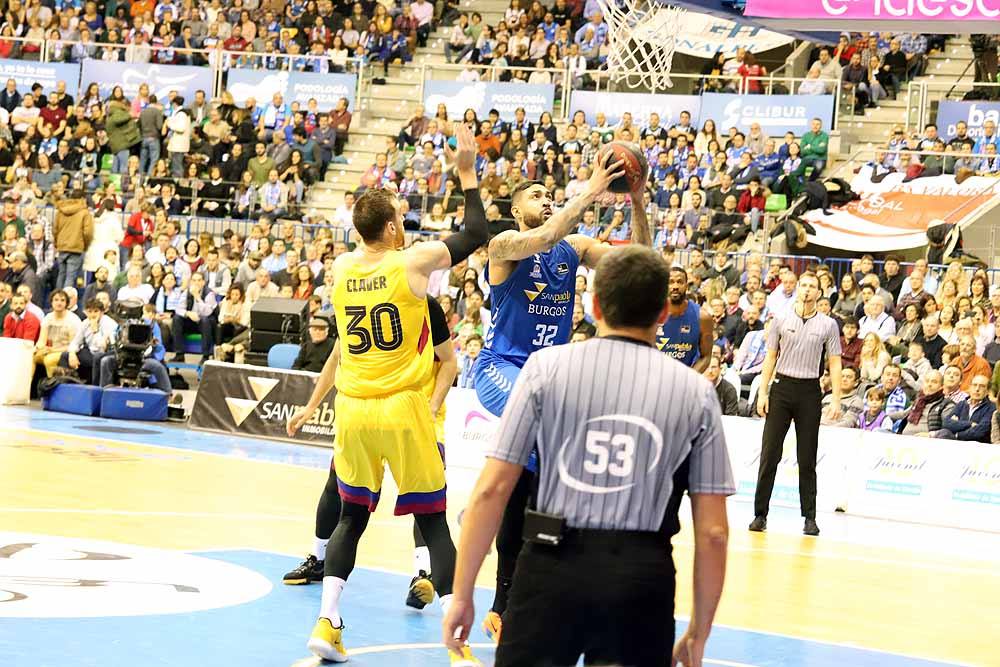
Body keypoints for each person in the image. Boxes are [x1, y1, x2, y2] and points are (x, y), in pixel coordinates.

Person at [443, 245, 733, 667]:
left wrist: (464, 594)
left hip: (550, 566)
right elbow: (714, 533)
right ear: (664, 314)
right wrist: (699, 631)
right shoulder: (697, 393)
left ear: (594, 305)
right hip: (641, 576)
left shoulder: (544, 369)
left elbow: (491, 491)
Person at [285, 123, 488, 664]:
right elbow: (476, 235)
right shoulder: (411, 262)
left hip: (352, 408)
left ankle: (328, 623)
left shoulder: (341, 269)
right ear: (395, 227)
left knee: (351, 518)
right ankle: (457, 645)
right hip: (402, 406)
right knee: (431, 520)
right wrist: (466, 173)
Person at [471, 150, 651, 644]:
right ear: (515, 210)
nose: (546, 200)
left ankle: (507, 592)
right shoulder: (504, 243)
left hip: (550, 376)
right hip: (501, 370)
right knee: (540, 436)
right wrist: (592, 189)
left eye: (549, 195)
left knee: (543, 476)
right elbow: (545, 237)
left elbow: (642, 260)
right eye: (535, 195)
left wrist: (636, 201)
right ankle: (491, 502)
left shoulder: (574, 248)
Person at [751, 272, 842, 536]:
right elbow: (770, 357)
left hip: (809, 391)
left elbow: (835, 362)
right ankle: (760, 514)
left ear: (819, 293)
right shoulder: (780, 318)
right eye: (803, 286)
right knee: (769, 455)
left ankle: (809, 517)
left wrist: (835, 397)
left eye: (812, 287)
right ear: (797, 289)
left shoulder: (828, 325)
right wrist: (763, 392)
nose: (807, 290)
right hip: (781, 388)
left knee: (807, 458)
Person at [657, 266, 715, 372]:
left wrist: (688, 379)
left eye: (680, 282)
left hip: (686, 380)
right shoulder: (650, 314)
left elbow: (706, 357)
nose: (675, 286)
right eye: (671, 282)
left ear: (687, 286)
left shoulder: (703, 317)